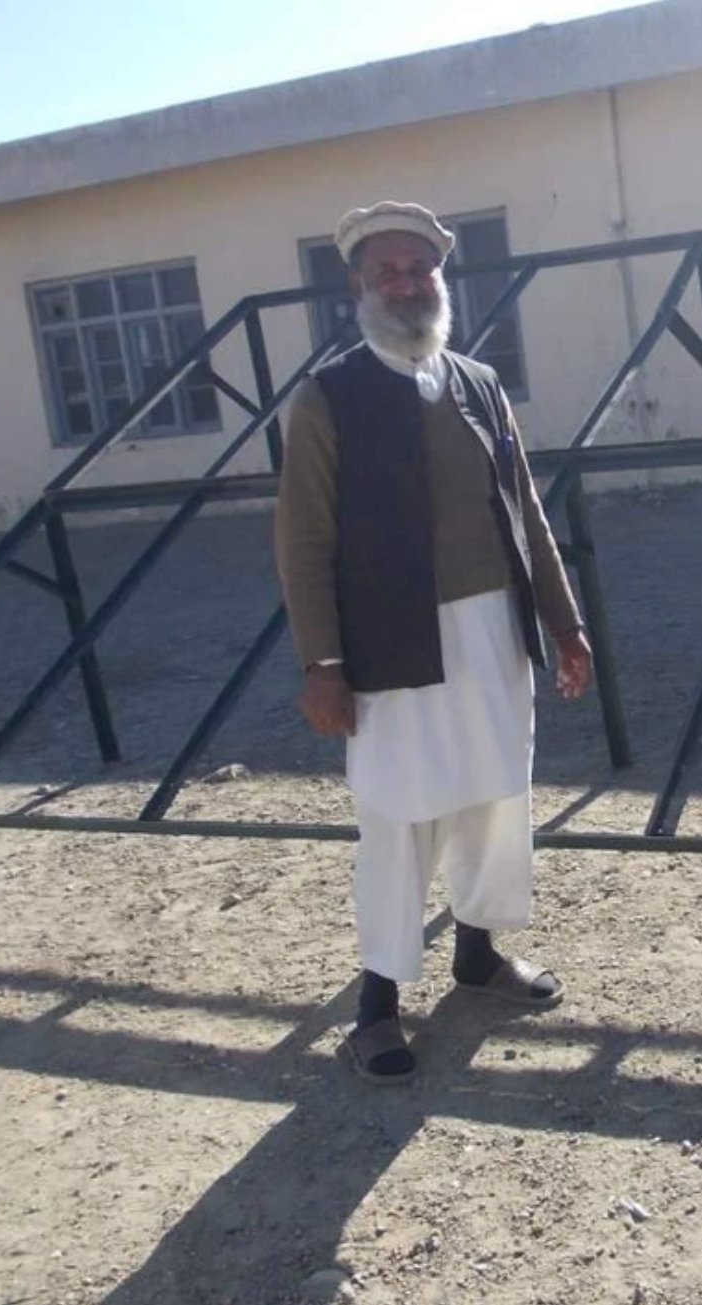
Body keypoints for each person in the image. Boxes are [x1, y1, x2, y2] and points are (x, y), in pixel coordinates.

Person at [274, 200, 594, 1077]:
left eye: (422, 269)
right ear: (359, 287)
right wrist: (323, 664)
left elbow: (524, 509)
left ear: (440, 279)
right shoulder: (328, 397)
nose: (408, 284)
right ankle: (377, 1004)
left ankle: (478, 953)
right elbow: (304, 538)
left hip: (493, 627)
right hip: (389, 641)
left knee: (493, 796)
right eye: (389, 271)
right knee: (399, 814)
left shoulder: (480, 384)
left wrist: (564, 623)